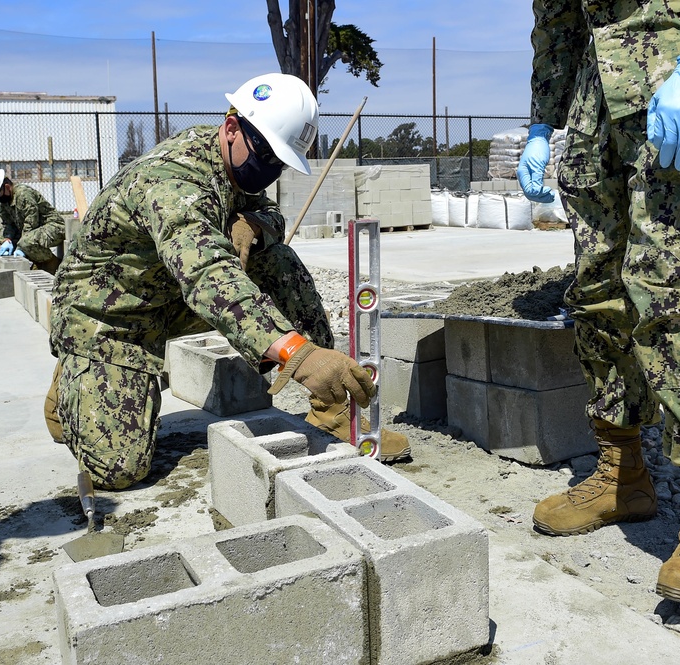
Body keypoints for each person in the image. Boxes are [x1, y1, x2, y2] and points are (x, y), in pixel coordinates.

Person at [44, 72, 411, 496]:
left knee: (277, 261)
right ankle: (73, 375)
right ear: (233, 127)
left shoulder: (235, 165)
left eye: (281, 162)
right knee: (116, 471)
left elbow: (274, 218)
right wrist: (297, 352)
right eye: (268, 156)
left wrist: (254, 224)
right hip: (107, 315)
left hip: (168, 296)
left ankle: (331, 412)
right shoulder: (172, 179)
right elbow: (207, 274)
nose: (270, 170)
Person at [517, 2, 680, 609]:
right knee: (598, 294)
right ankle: (621, 472)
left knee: (669, 291)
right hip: (594, 106)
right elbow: (557, 20)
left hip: (674, 78)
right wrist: (543, 124)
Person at [0, 169, 64, 274]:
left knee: (26, 242)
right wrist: (7, 239)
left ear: (7, 187)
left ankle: (51, 262)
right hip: (30, 231)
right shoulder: (3, 201)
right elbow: (8, 224)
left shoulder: (23, 194)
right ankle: (36, 260)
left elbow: (31, 223)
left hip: (53, 227)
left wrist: (20, 247)